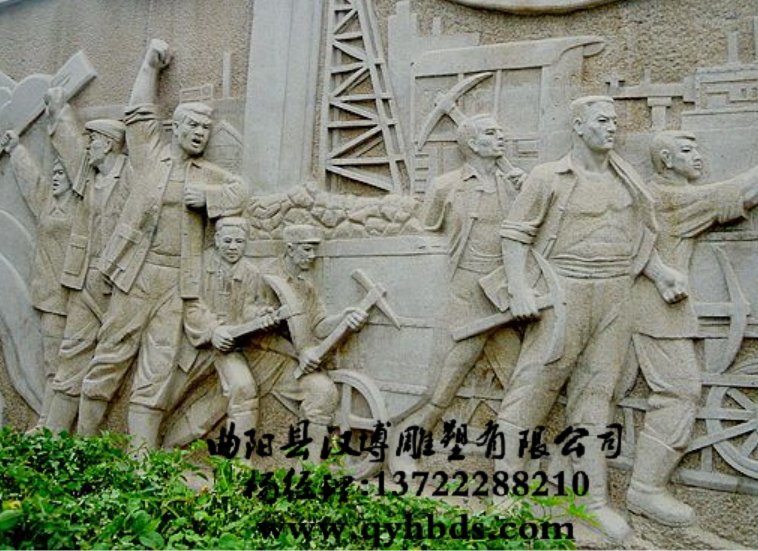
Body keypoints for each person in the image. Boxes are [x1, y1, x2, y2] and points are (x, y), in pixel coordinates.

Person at [495, 95, 686, 544]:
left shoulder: (626, 178)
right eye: (602, 120)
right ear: (579, 126)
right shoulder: (549, 177)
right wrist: (520, 290)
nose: (612, 127)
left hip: (615, 293)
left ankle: (592, 502)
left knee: (596, 400)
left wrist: (661, 274)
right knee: (532, 392)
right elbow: (515, 235)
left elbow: (636, 238)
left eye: (614, 120)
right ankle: (505, 492)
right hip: (565, 292)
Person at [625, 124, 758, 526]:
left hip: (654, 309)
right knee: (678, 392)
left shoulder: (658, 194)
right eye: (687, 151)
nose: (698, 156)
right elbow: (741, 193)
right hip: (655, 312)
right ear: (666, 160)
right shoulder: (668, 198)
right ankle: (645, 489)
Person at [76, 39, 248, 452]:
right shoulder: (149, 157)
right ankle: (81, 445)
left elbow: (241, 191)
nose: (201, 135)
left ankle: (141, 459)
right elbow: (138, 113)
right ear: (178, 128)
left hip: (177, 284)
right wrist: (149, 67)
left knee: (158, 366)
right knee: (111, 354)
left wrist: (207, 198)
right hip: (137, 275)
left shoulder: (207, 175)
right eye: (194, 127)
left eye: (206, 130)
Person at [389, 114, 523, 474]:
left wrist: (526, 192)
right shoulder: (446, 186)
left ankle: (520, 459)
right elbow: (423, 239)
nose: (501, 136)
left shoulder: (513, 184)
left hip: (503, 293)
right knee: (448, 376)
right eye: (491, 132)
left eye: (500, 130)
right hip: (464, 292)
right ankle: (406, 443)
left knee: (520, 380)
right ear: (472, 144)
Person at [40, 86, 132, 433]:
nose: (88, 146)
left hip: (117, 285)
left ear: (107, 144)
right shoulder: (90, 178)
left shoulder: (131, 178)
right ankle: (53, 433)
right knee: (72, 351)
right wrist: (58, 110)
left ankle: (89, 439)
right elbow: (70, 148)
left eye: (92, 141)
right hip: (84, 279)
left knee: (108, 360)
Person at [259, 224, 368, 462]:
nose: (313, 255)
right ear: (290, 249)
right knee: (320, 390)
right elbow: (253, 329)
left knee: (323, 392)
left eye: (314, 249)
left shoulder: (305, 286)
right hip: (264, 358)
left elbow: (319, 326)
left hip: (291, 361)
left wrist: (344, 318)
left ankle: (309, 469)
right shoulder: (265, 278)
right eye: (307, 249)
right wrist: (299, 353)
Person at [183, 217, 283, 445]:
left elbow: (247, 308)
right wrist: (213, 330)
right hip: (200, 342)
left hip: (232, 346)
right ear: (217, 240)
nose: (233, 247)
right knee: (168, 397)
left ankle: (238, 459)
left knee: (242, 389)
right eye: (228, 241)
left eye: (239, 242)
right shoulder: (199, 266)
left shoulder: (250, 272)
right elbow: (190, 306)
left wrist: (260, 314)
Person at [0, 130, 76, 428]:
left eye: (62, 173)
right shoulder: (47, 202)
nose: (56, 177)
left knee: (68, 360)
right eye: (54, 172)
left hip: (77, 295)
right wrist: (16, 150)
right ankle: (47, 419)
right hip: (50, 295)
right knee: (52, 360)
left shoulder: (83, 208)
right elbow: (31, 181)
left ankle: (56, 421)